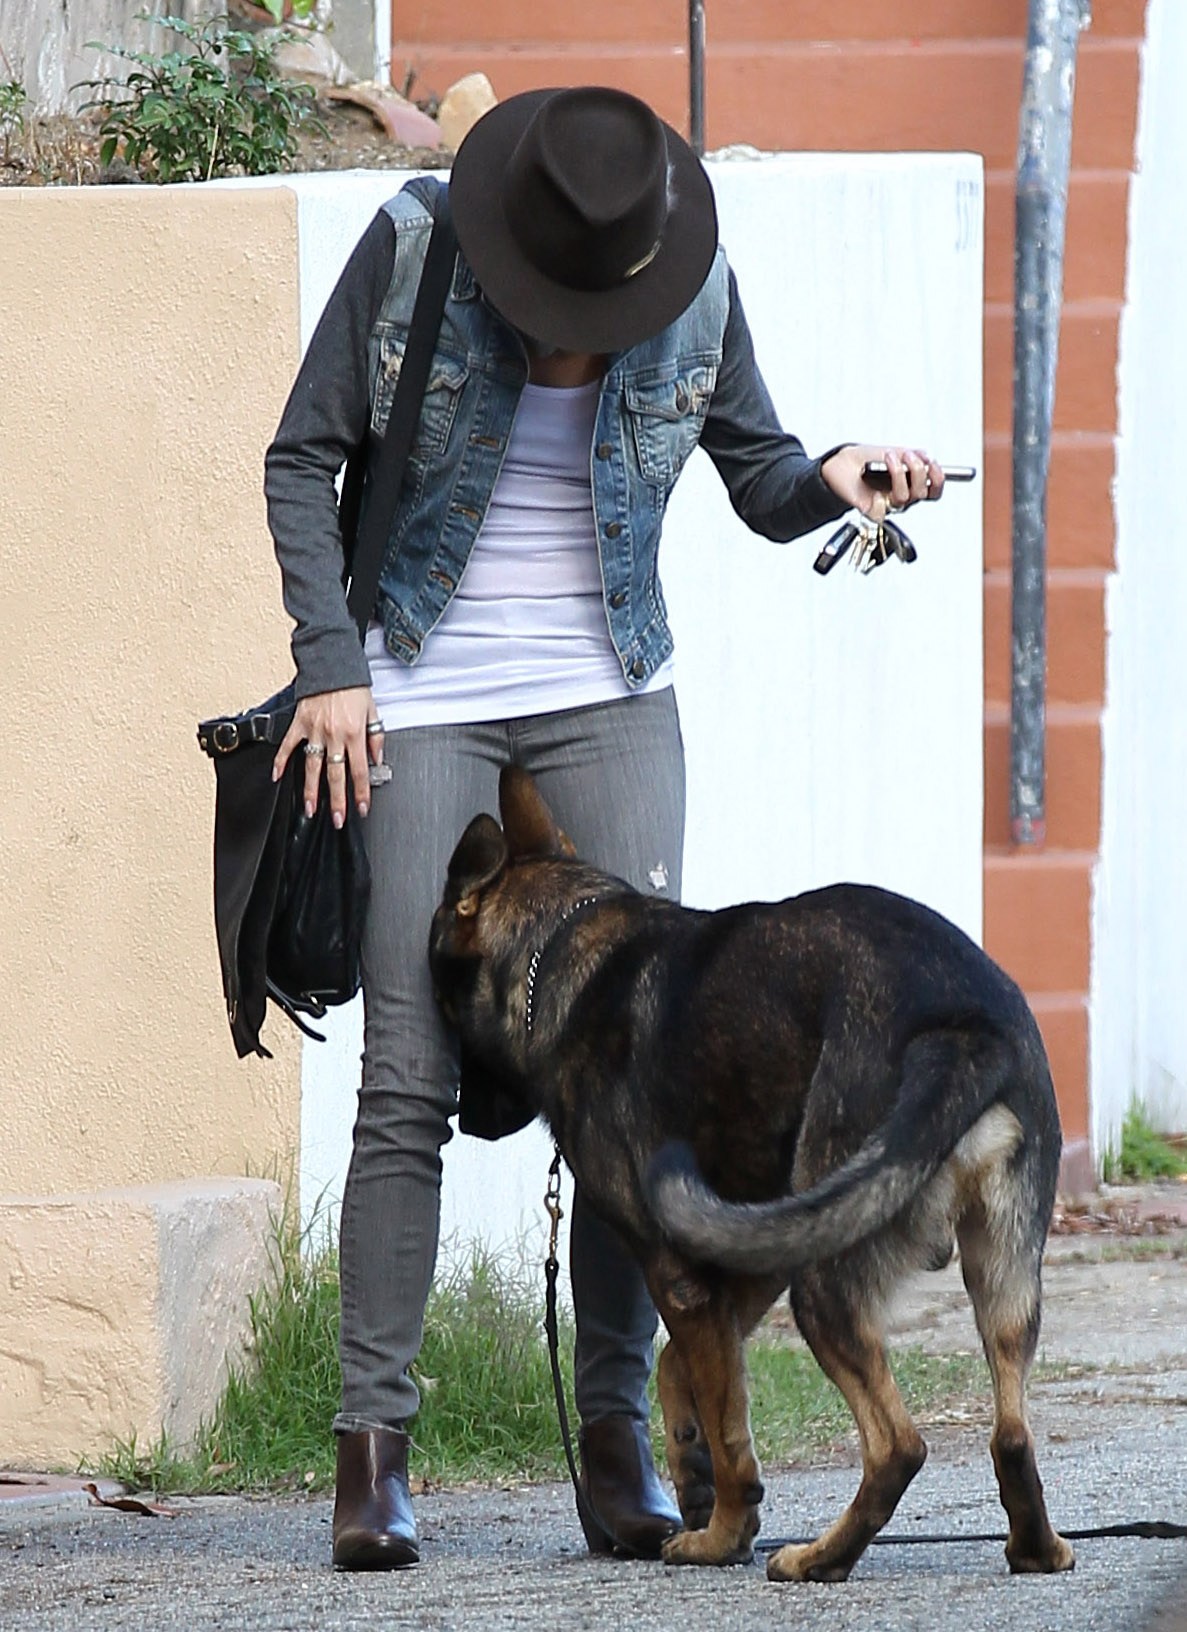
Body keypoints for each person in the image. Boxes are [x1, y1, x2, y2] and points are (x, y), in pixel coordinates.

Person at [264, 85, 948, 1571]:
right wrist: (331, 672)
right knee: (406, 1069)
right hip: (420, 693)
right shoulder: (410, 246)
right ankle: (371, 1457)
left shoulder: (690, 281)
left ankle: (618, 1446)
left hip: (610, 697)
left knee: (642, 1075)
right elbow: (299, 460)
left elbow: (756, 467)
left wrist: (834, 476)